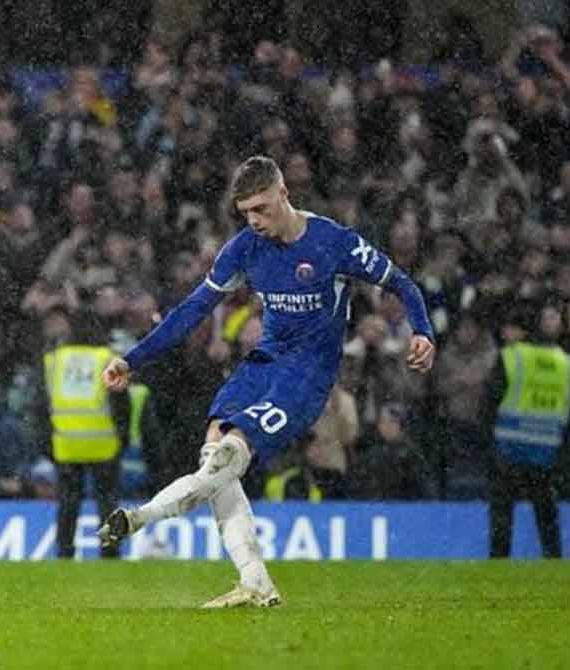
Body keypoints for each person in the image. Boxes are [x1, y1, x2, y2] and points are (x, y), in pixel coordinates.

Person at [97, 156, 435, 607]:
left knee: (228, 456)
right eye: (246, 213)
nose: (254, 220)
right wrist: (132, 359)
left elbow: (403, 284)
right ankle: (254, 580)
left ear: (283, 194)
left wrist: (423, 331)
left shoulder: (334, 242)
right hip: (262, 363)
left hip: (308, 373)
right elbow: (191, 311)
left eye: (261, 208)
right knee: (214, 452)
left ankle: (141, 518)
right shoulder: (243, 249)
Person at [486, 304, 570, 559]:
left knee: (502, 513)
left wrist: (488, 442)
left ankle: (499, 563)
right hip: (546, 450)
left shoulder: (512, 356)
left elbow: (489, 403)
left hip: (509, 447)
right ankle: (553, 559)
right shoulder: (569, 364)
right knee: (546, 513)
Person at [43, 310, 130, 559]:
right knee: (107, 501)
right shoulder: (107, 359)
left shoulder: (55, 360)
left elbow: (41, 404)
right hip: (103, 442)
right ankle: (110, 550)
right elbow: (121, 403)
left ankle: (65, 551)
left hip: (66, 443)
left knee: (68, 502)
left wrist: (47, 439)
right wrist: (122, 436)